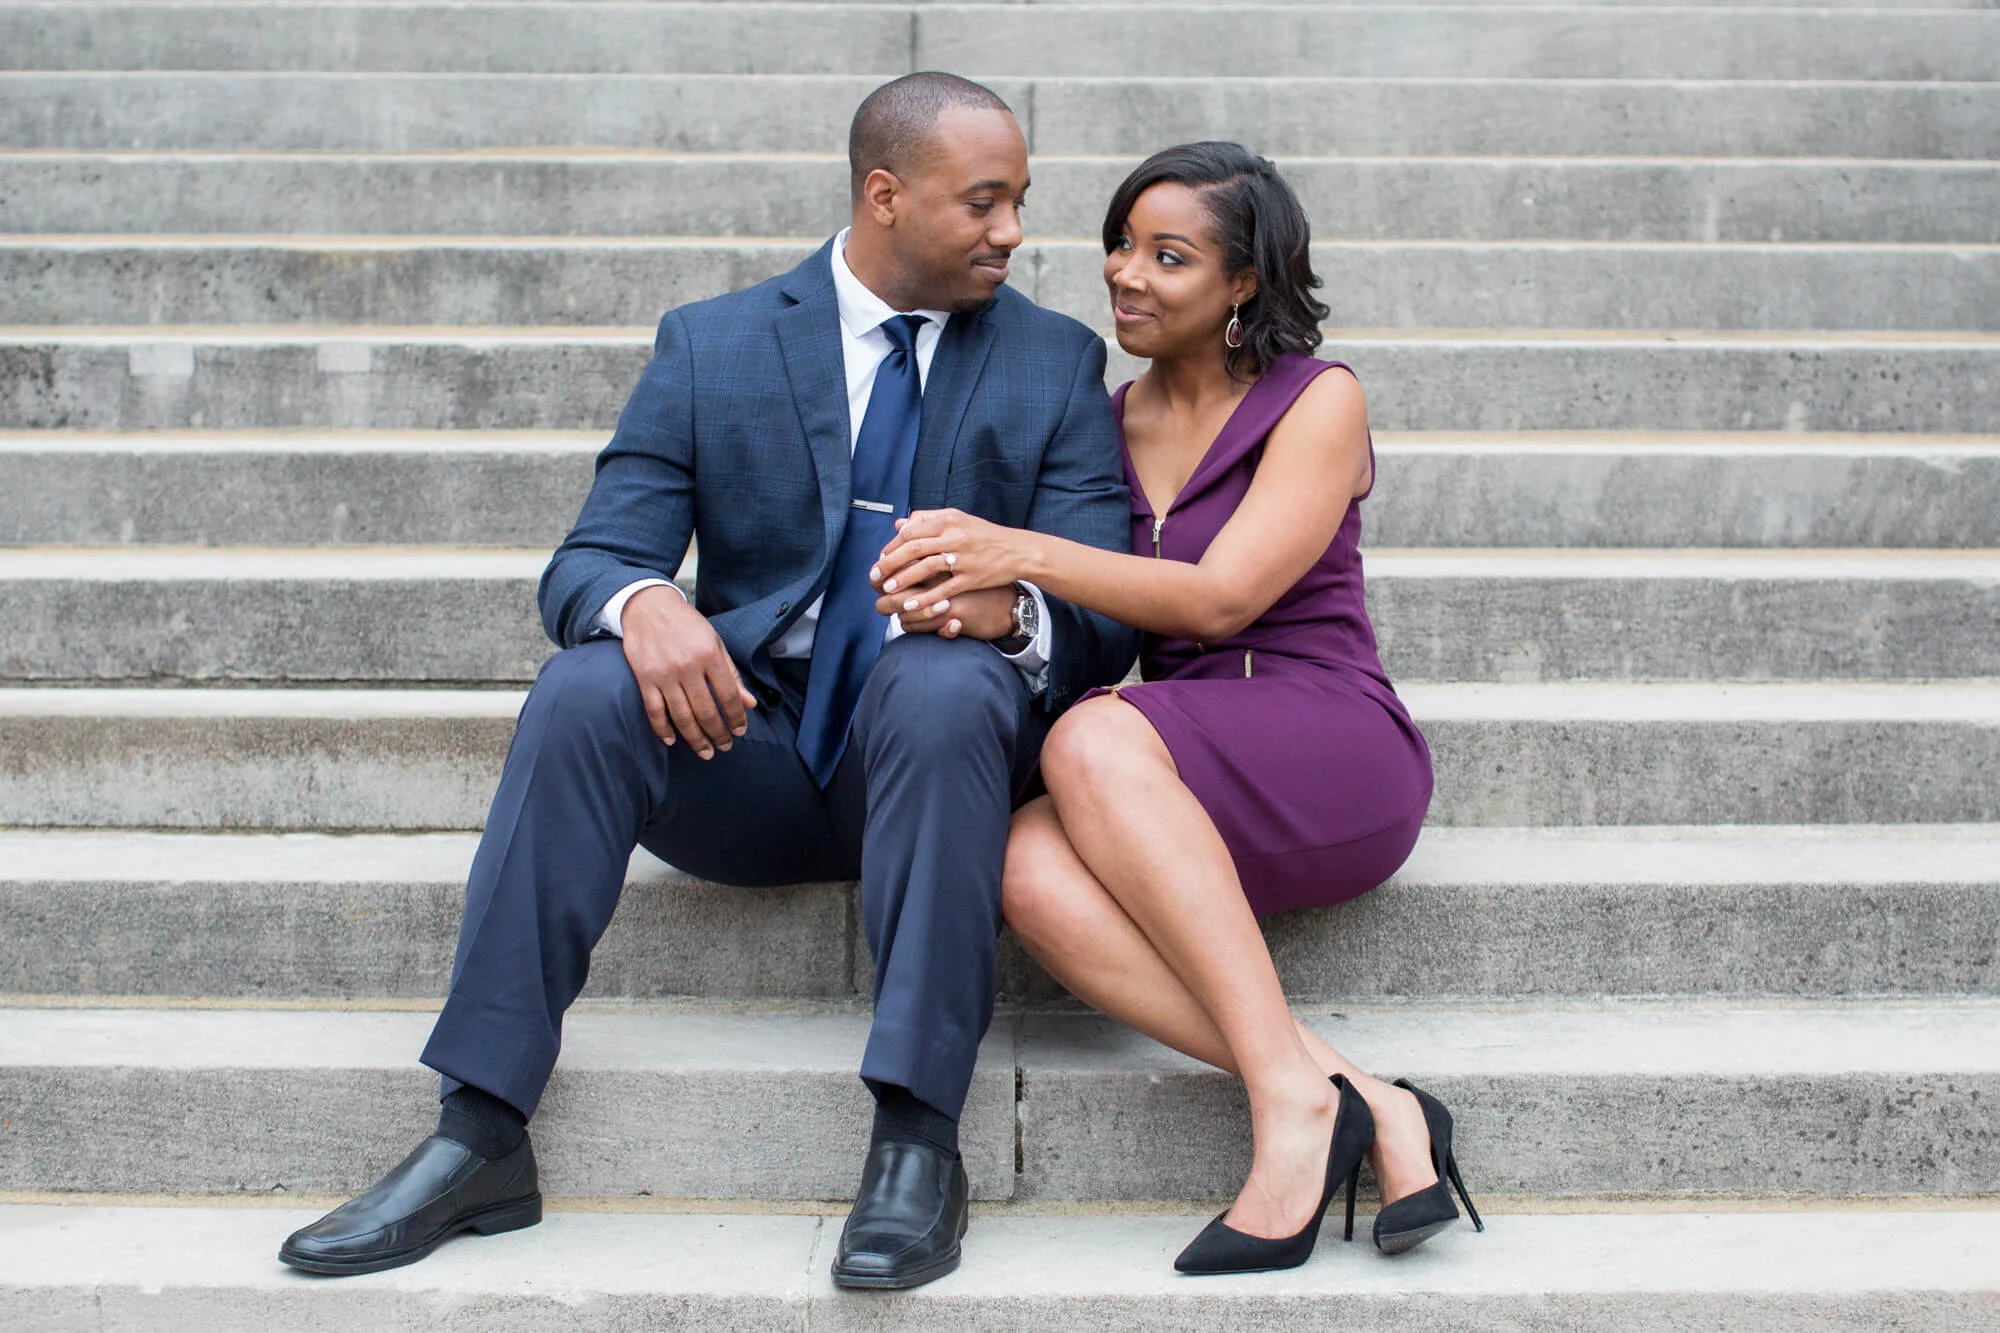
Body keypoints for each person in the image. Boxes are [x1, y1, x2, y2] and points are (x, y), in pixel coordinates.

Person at [277, 72, 1139, 1290]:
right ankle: (478, 1132)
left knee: (944, 684)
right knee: (582, 689)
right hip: (752, 748)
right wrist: (648, 604)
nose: (1011, 232)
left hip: (939, 765)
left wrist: (1010, 613)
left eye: (1019, 202)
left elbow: (1104, 617)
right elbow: (590, 557)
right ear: (884, 195)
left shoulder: (1052, 362)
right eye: (983, 202)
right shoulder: (714, 342)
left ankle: (916, 1138)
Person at [869, 141, 1482, 1274]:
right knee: (1023, 863)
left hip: (1329, 736)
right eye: (1120, 245)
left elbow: (1223, 595)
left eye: (1167, 256)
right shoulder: (1104, 421)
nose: (1125, 274)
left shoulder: (1318, 399)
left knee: (1090, 733)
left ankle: (1291, 1117)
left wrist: (1017, 549)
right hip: (1175, 760)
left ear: (1242, 280)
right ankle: (1347, 1091)